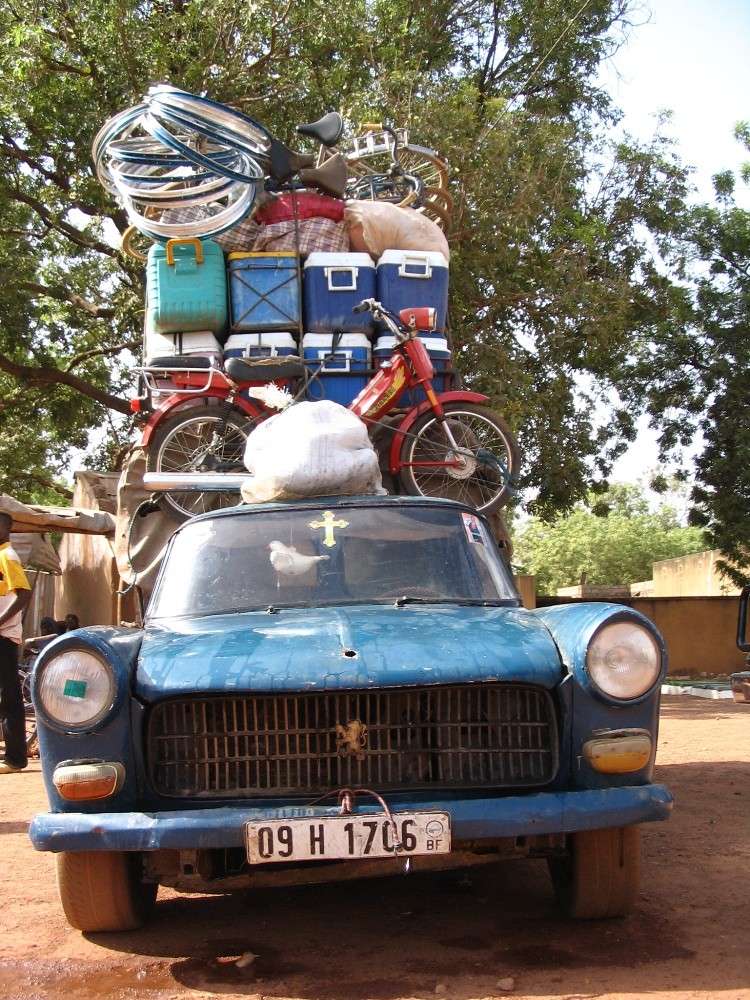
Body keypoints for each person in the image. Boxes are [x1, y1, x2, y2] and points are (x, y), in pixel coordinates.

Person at [0, 511, 32, 773]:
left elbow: (23, 594)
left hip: (3, 636)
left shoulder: (7, 555)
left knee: (9, 696)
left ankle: (15, 758)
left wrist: (1, 621)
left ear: (6, 528)